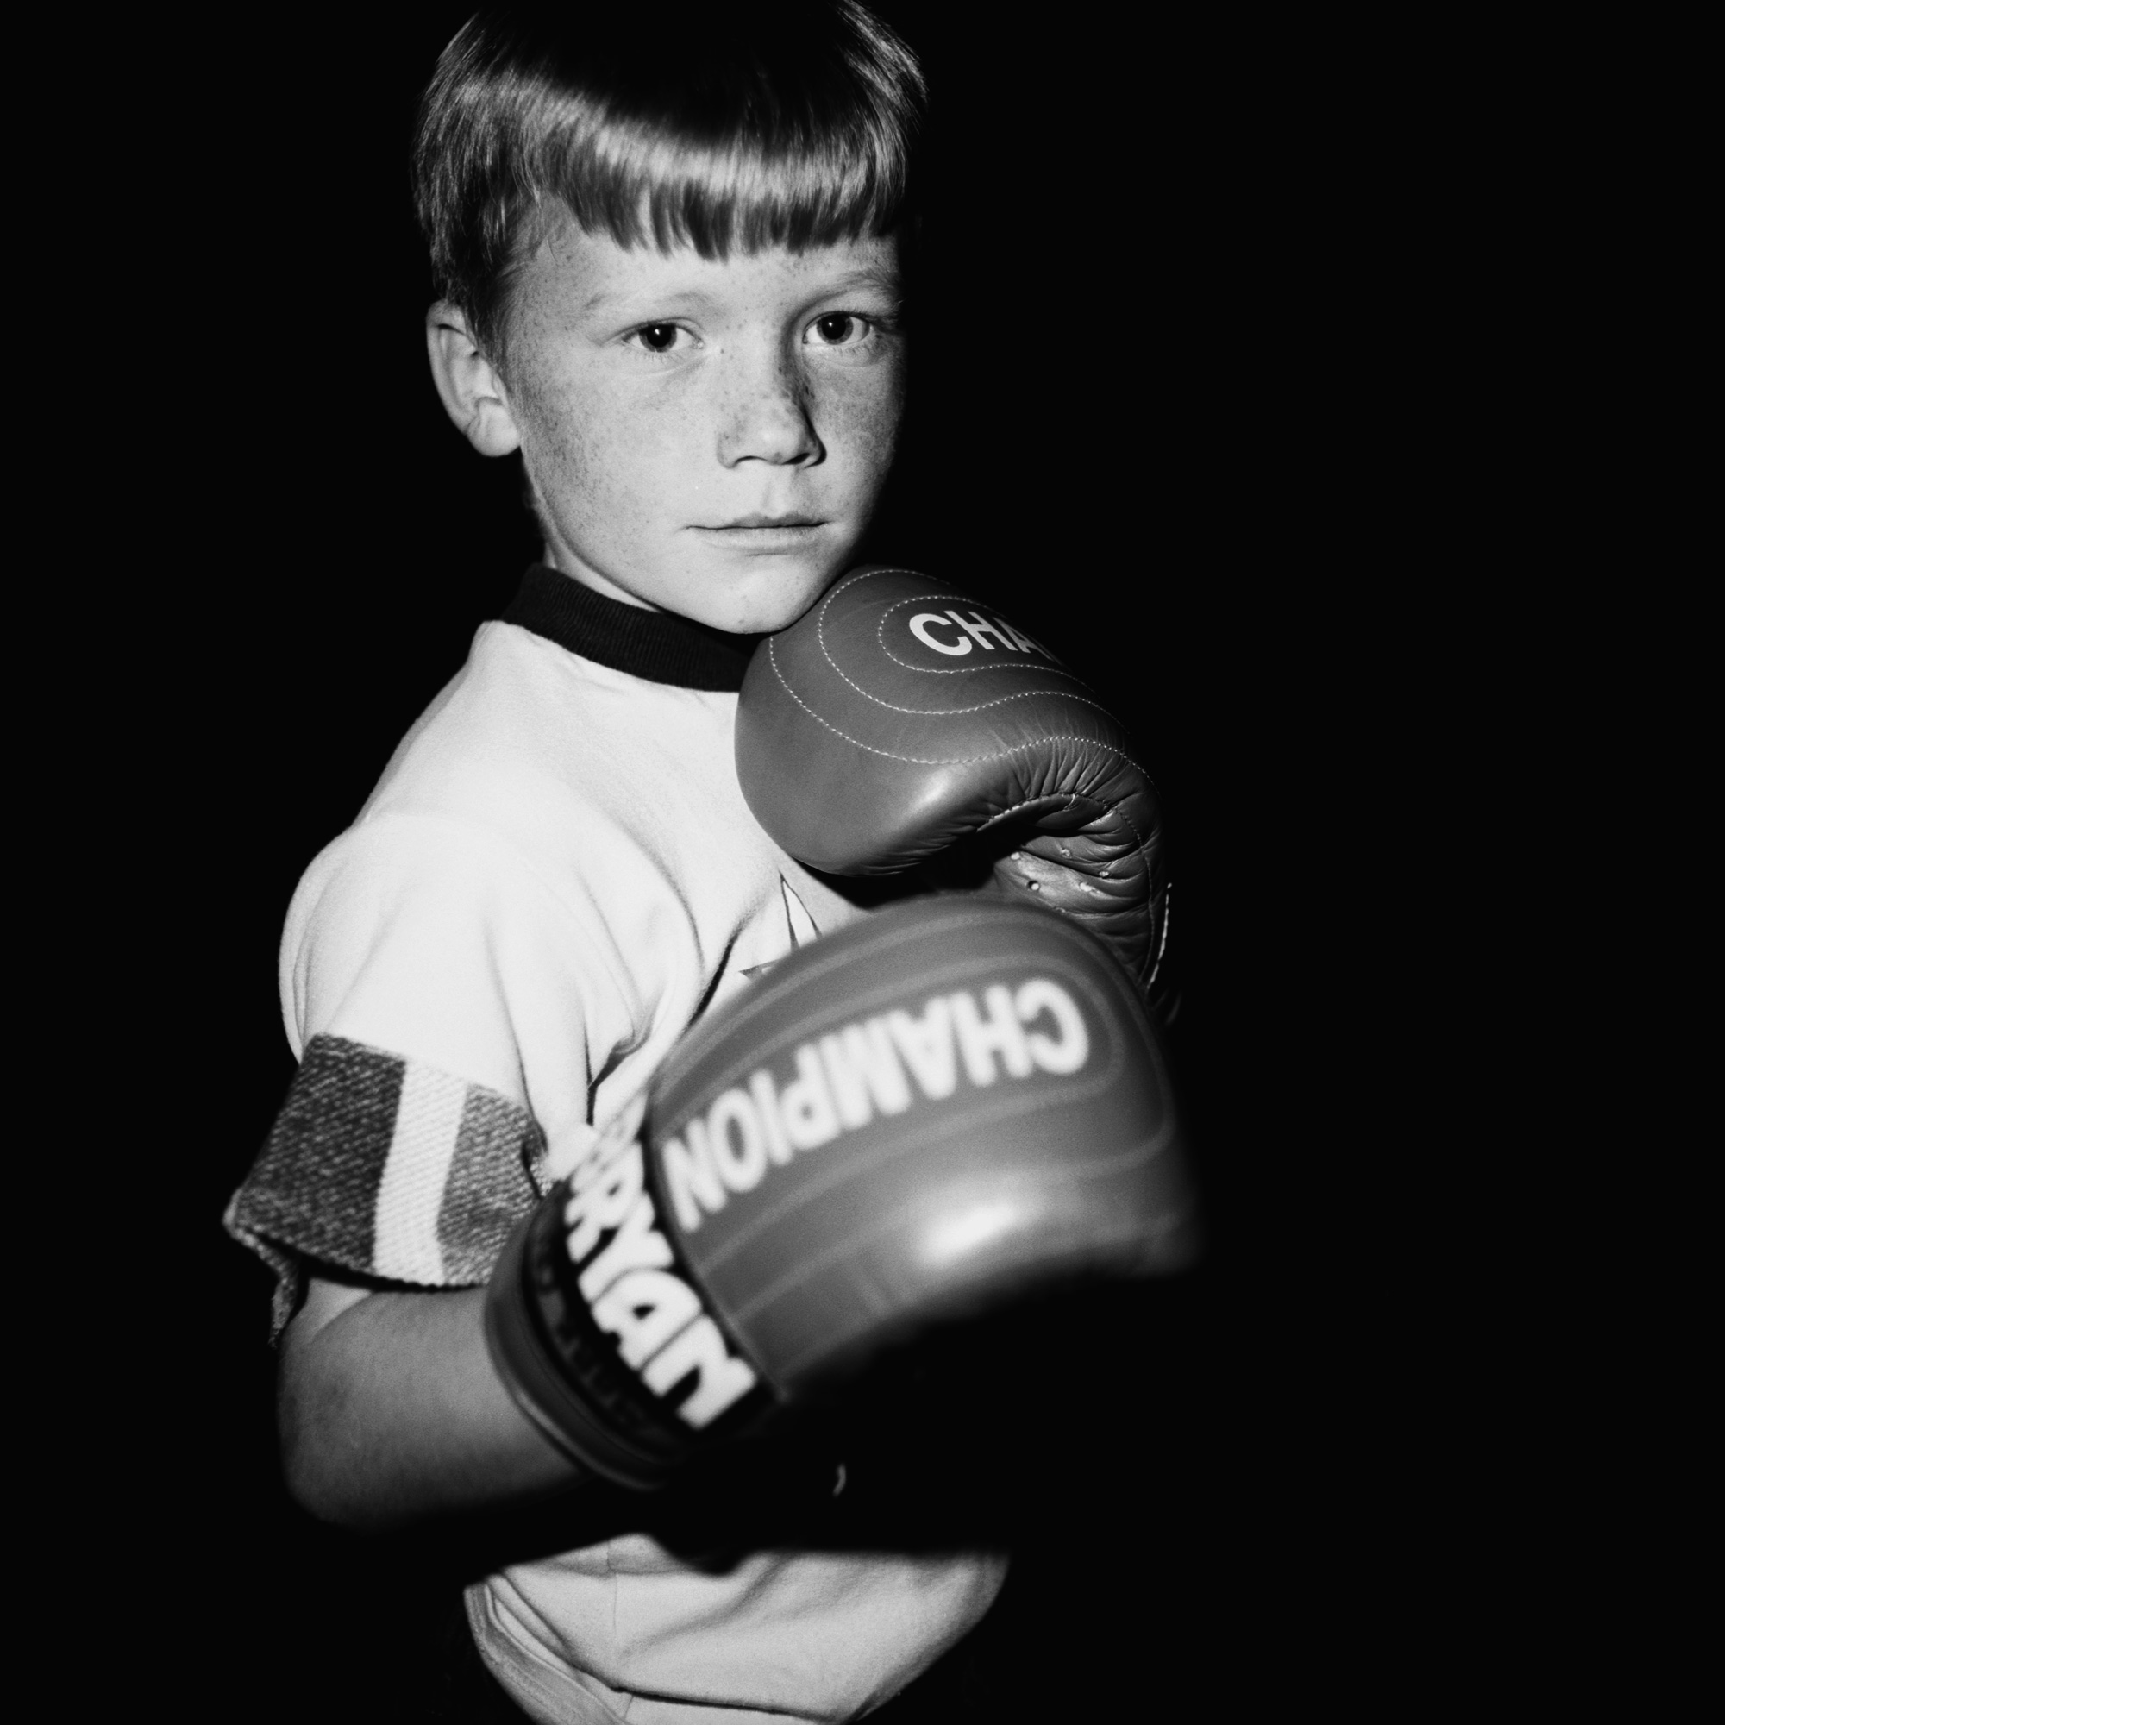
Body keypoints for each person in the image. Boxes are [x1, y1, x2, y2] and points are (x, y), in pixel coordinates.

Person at [221, 8, 1181, 1718]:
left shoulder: (880, 682)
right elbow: (333, 1429)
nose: (777, 424)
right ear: (481, 376)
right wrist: (678, 1274)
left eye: (836, 319)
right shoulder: (478, 852)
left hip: (964, 1598)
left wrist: (1087, 932)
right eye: (663, 329)